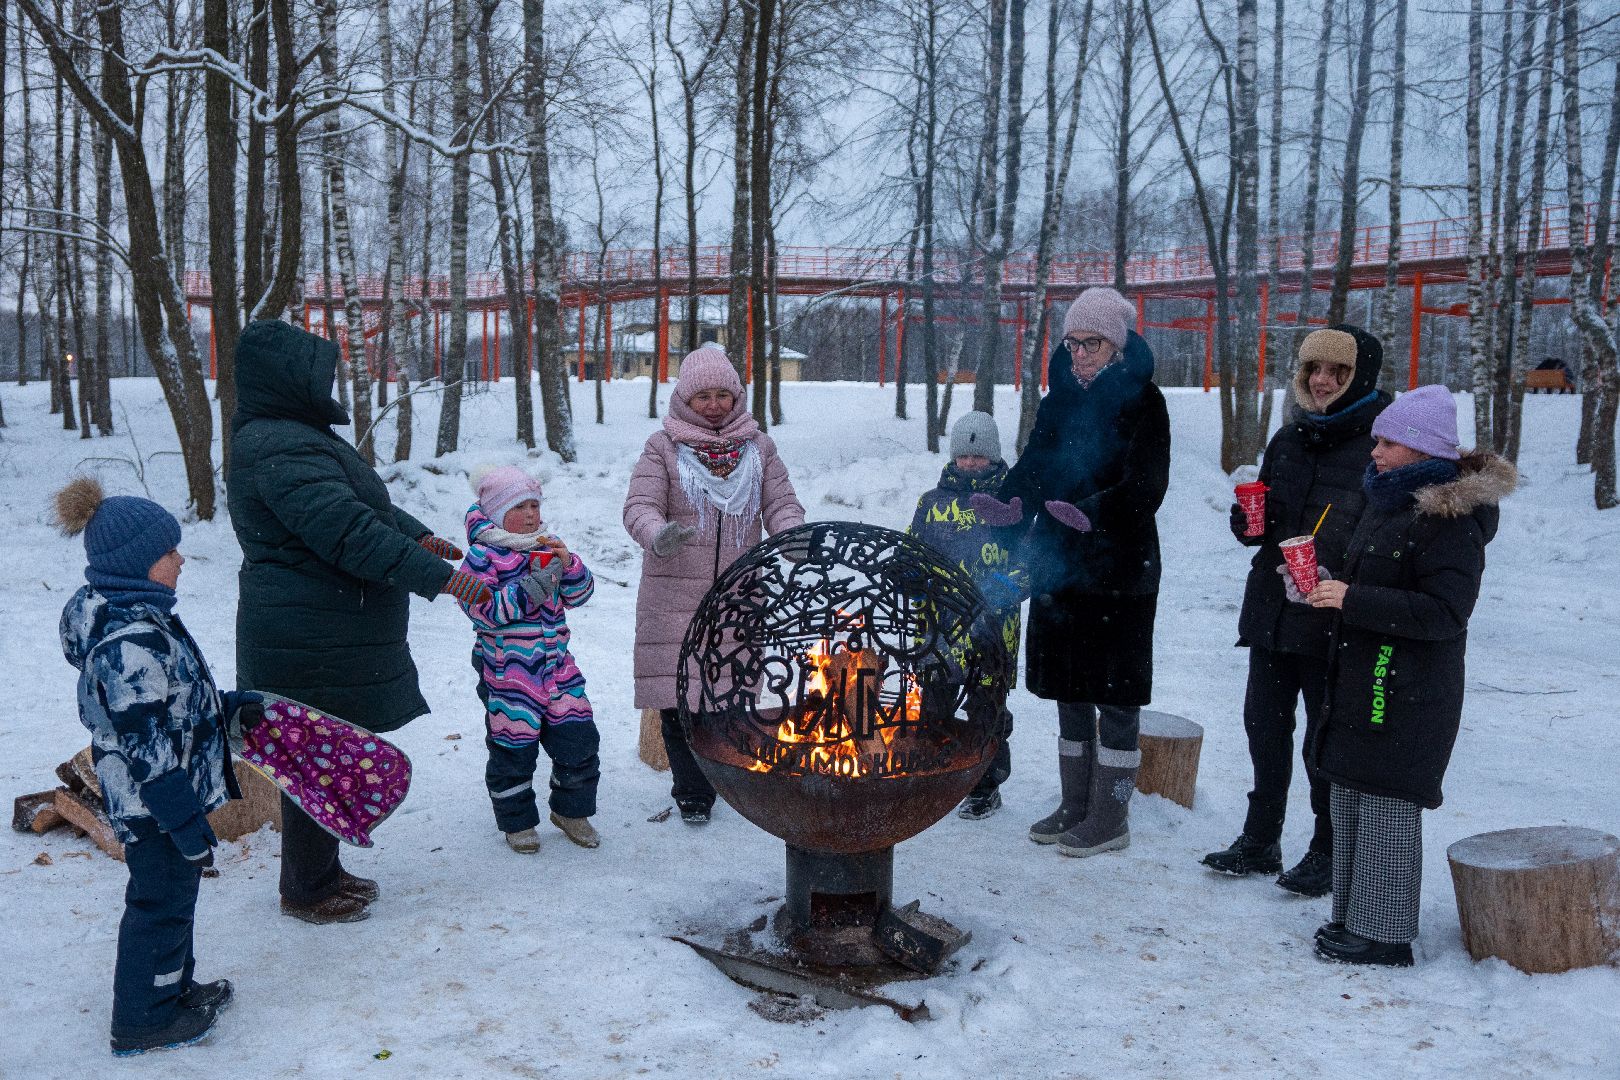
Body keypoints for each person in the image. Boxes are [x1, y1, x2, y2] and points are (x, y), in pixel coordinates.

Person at [228, 320, 488, 923]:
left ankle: (321, 873)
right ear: (286, 379)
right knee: (315, 760)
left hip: (323, 627)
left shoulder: (294, 435)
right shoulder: (277, 444)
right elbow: (346, 532)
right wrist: (440, 577)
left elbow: (364, 506)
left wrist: (418, 536)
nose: (328, 384)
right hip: (308, 632)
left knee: (325, 756)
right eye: (318, 374)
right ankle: (307, 890)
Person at [1300, 385, 1514, 966]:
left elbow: (1446, 612)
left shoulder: (1450, 518)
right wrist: (1325, 584)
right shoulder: (1387, 501)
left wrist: (1353, 599)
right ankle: (1354, 917)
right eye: (1377, 440)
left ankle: (1386, 935)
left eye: (1388, 442)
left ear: (1423, 450)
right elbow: (1369, 581)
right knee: (1351, 794)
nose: (1375, 451)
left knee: (1388, 806)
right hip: (1364, 677)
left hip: (1410, 689)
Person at [53, 477, 260, 1055]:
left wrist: (228, 708)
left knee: (176, 899)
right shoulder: (128, 643)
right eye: (169, 551)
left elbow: (172, 705)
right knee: (159, 905)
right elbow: (146, 750)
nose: (180, 559)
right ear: (136, 563)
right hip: (155, 806)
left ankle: (171, 992)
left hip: (170, 799)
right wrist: (182, 821)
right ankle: (142, 1021)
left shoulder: (146, 620)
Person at [971, 286, 1170, 857]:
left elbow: (1147, 485)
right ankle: (1074, 803)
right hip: (1059, 563)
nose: (1079, 353)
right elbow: (1034, 466)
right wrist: (1011, 507)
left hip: (1120, 568)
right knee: (1069, 685)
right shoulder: (1057, 398)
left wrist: (1093, 514)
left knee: (1116, 690)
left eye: (1092, 343)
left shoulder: (1144, 401)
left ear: (1117, 346)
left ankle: (1111, 815)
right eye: (1073, 342)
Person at [1202, 325, 1391, 896]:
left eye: (1337, 371)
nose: (1322, 381)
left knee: (1323, 740)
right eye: (1314, 369)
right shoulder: (1289, 438)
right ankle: (1261, 839)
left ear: (1360, 378)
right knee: (1263, 727)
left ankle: (1327, 849)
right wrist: (1246, 523)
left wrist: (1338, 575)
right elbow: (1264, 524)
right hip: (1271, 608)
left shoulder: (1379, 445)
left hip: (1333, 616)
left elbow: (1384, 534)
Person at [623, 345, 805, 824]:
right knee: (679, 700)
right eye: (702, 396)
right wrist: (657, 534)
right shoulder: (663, 447)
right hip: (673, 595)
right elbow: (639, 506)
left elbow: (780, 503)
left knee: (731, 698)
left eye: (723, 395)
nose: (714, 405)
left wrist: (792, 535)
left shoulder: (758, 448)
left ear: (737, 397)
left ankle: (728, 777)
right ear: (685, 399)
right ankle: (693, 793)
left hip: (738, 596)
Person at [455, 465, 600, 854]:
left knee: (579, 739)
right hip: (509, 674)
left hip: (558, 668)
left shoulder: (547, 546)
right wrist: (530, 589)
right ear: (498, 513)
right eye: (520, 507)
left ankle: (571, 811)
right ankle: (517, 822)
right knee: (513, 749)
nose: (532, 514)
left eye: (535, 504)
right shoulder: (482, 556)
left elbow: (581, 595)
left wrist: (569, 565)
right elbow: (481, 609)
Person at [907, 411, 1025, 819]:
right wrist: (906, 573)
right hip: (938, 627)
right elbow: (912, 550)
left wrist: (1009, 586)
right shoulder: (932, 503)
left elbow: (1029, 559)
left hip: (992, 628)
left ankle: (985, 785)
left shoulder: (1011, 504)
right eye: (964, 456)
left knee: (985, 708)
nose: (971, 463)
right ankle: (935, 773)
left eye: (979, 457)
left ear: (993, 457)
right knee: (933, 705)